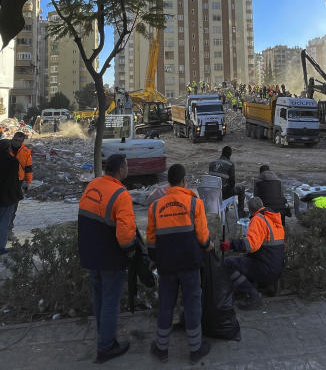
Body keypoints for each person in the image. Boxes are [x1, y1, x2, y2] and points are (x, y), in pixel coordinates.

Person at [147, 164, 212, 363]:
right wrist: (209, 245)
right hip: (190, 264)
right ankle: (195, 349)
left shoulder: (156, 206)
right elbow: (202, 237)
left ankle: (161, 348)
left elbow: (151, 239)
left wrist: (153, 260)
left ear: (169, 182)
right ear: (184, 181)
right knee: (192, 304)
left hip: (166, 265)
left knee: (166, 304)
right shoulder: (195, 204)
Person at [78, 153, 137, 363]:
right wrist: (131, 252)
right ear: (121, 170)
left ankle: (103, 335)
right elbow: (125, 234)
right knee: (111, 301)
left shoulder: (93, 185)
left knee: (100, 298)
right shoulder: (121, 194)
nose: (128, 169)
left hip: (90, 254)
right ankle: (106, 347)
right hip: (110, 258)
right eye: (127, 166)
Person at [220, 197, 285, 309]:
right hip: (277, 269)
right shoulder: (273, 218)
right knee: (247, 259)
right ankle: (264, 287)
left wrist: (230, 244)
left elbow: (250, 245)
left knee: (228, 263)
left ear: (250, 211)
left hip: (265, 269)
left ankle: (253, 295)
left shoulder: (258, 219)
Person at [0, 132, 33, 232]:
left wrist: (28, 182)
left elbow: (28, 168)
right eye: (15, 140)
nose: (17, 143)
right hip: (2, 181)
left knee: (13, 208)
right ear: (13, 138)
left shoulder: (26, 151)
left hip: (17, 182)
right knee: (0, 208)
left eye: (20, 141)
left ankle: (8, 230)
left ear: (23, 141)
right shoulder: (3, 148)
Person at [209, 146, 245, 216]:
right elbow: (232, 182)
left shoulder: (212, 164)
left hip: (212, 193)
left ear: (222, 153)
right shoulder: (230, 164)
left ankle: (224, 206)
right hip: (223, 193)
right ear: (230, 155)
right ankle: (240, 213)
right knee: (241, 188)